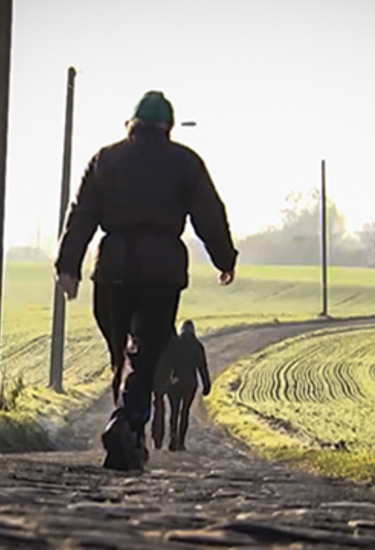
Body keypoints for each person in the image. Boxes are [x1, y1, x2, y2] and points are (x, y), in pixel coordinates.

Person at [55, 90, 238, 471]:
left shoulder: (106, 160)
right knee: (145, 354)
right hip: (161, 270)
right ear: (167, 127)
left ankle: (128, 430)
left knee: (119, 353)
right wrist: (224, 258)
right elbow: (209, 213)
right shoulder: (185, 163)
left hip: (112, 267)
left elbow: (82, 214)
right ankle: (127, 423)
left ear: (132, 125)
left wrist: (67, 265)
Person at [166, 320, 211, 451]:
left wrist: (164, 381)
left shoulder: (175, 344)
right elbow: (202, 367)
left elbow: (168, 364)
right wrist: (206, 384)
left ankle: (172, 438)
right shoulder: (197, 346)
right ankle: (181, 441)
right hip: (190, 384)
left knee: (174, 412)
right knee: (184, 412)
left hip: (174, 383)